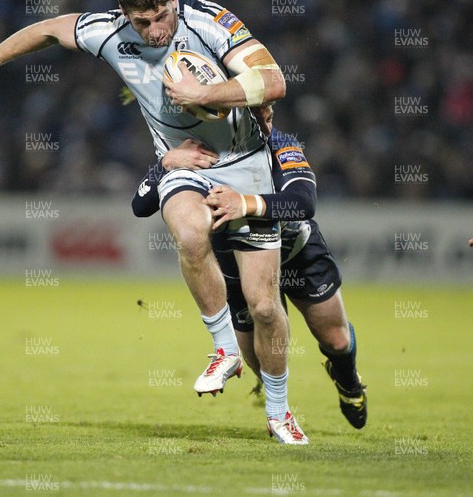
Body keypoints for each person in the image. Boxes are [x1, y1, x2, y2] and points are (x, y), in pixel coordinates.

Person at [0, 0, 307, 444]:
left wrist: (203, 93)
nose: (154, 29)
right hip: (182, 162)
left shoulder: (210, 20)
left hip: (246, 163)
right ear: (124, 14)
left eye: (161, 16)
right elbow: (49, 29)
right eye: (141, 22)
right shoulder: (109, 32)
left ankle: (278, 410)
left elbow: (274, 82)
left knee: (266, 307)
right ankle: (224, 348)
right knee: (189, 232)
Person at [132, 109, 367, 429]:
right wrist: (164, 166)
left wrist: (244, 203)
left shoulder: (282, 144)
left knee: (336, 340)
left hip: (296, 253)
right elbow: (140, 205)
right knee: (258, 357)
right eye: (257, 108)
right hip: (237, 267)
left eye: (269, 109)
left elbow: (302, 201)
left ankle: (349, 382)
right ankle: (279, 412)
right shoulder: (202, 152)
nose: (266, 115)